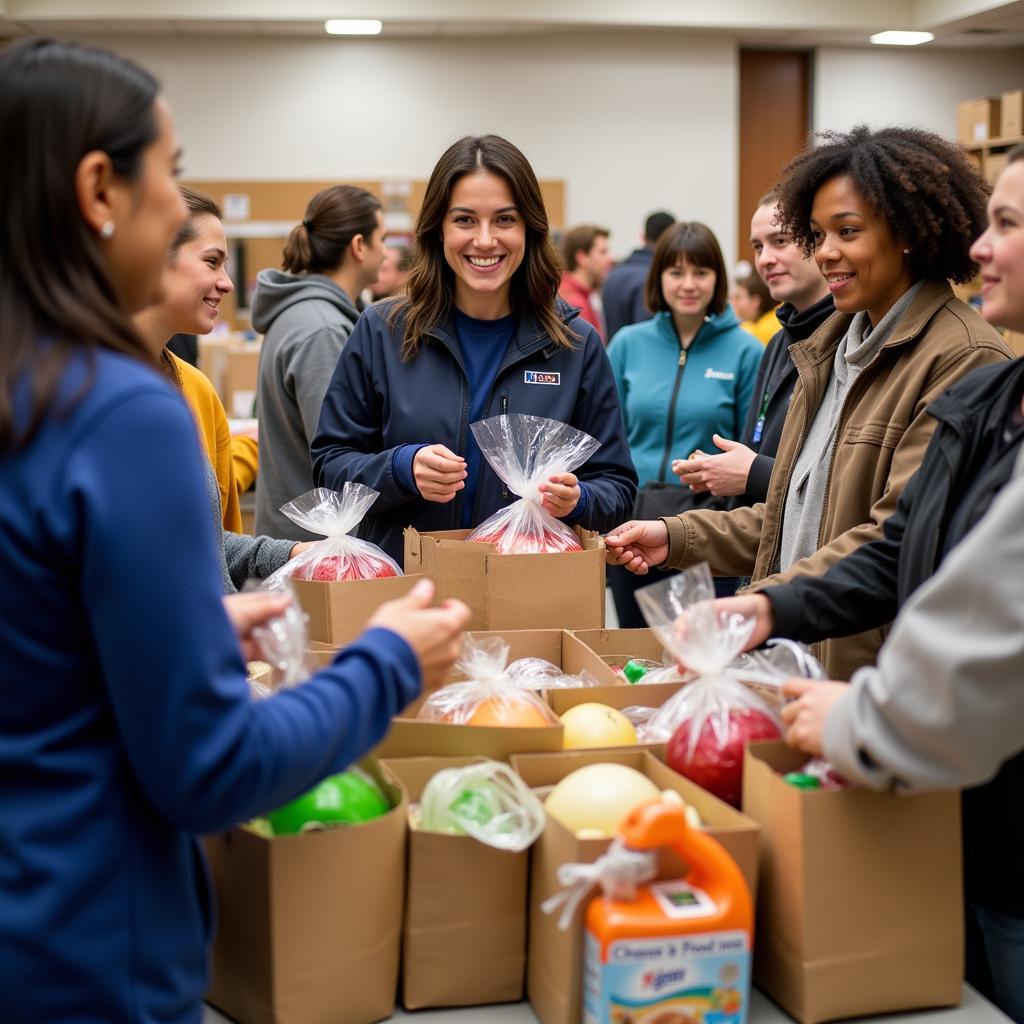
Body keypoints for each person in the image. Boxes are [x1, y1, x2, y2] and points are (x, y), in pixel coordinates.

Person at [0, 39, 469, 1023]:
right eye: (168, 173)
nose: (179, 206)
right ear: (98, 189)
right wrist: (386, 661)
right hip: (90, 954)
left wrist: (189, 633)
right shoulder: (125, 415)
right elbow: (210, 769)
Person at [719, 149, 1024, 1022]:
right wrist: (771, 604)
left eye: (1006, 227)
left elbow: (985, 611)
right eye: (820, 234)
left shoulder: (958, 365)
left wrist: (865, 713)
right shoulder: (992, 398)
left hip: (944, 755)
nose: (981, 249)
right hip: (946, 778)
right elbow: (899, 545)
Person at [606, 125, 1011, 680]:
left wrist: (767, 606)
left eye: (847, 232)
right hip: (795, 664)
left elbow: (893, 543)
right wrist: (677, 536)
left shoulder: (960, 357)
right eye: (817, 234)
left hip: (866, 680)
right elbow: (795, 519)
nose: (825, 253)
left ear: (908, 233)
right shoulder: (829, 351)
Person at [311, 134, 637, 565]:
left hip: (529, 595)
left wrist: (578, 499)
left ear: (530, 229)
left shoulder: (573, 344)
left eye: (504, 220)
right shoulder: (383, 331)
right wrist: (400, 470)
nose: (485, 241)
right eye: (465, 220)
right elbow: (330, 467)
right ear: (438, 229)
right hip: (409, 592)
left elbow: (617, 488)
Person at [134, 186, 307, 592]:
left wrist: (294, 554)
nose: (227, 284)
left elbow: (204, 549)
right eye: (212, 262)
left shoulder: (184, 383)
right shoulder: (92, 397)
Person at [606, 221, 763, 625]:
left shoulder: (746, 350)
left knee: (701, 650)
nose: (688, 284)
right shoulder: (627, 343)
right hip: (632, 522)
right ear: (659, 278)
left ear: (718, 279)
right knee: (634, 651)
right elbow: (608, 435)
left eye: (701, 272)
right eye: (676, 272)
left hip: (705, 524)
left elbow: (752, 445)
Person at [673, 191, 833, 506]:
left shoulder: (848, 338)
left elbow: (837, 485)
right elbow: (756, 447)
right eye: (758, 247)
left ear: (818, 241)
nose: (765, 259)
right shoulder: (778, 342)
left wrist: (752, 472)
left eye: (780, 241)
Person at [252, 184, 387, 540]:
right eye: (382, 239)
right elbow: (339, 461)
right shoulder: (323, 330)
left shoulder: (304, 315)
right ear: (359, 246)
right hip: (317, 550)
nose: (387, 253)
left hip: (302, 542)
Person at [602, 210, 675, 339]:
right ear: (671, 240)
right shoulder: (654, 278)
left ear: (643, 236)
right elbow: (648, 336)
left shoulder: (614, 273)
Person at [557, 223, 614, 341]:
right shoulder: (573, 303)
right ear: (582, 257)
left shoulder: (579, 295)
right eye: (603, 252)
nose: (610, 259)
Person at [732, 269, 781, 344]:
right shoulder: (776, 318)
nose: (732, 303)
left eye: (738, 298)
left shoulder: (762, 332)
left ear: (755, 302)